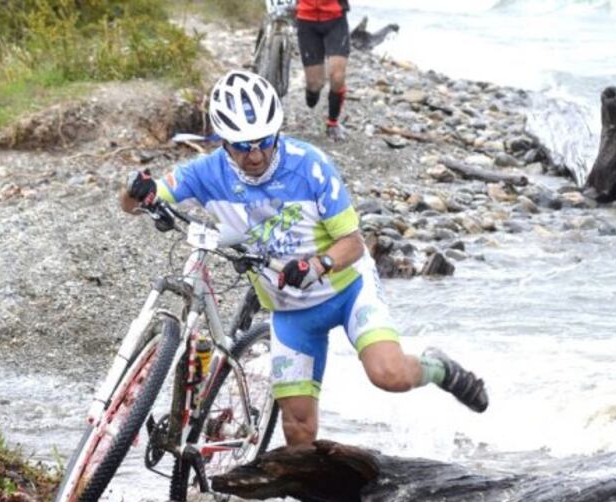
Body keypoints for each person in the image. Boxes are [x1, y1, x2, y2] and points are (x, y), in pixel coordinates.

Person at [120, 70, 487, 447]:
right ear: (223, 141)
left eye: (264, 141)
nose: (256, 155)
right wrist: (135, 191)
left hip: (346, 290)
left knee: (389, 375)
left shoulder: (310, 165)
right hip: (291, 312)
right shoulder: (205, 173)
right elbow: (136, 204)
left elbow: (353, 243)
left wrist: (316, 265)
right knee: (298, 434)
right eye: (243, 146)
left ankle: (439, 368)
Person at [295, 0, 351, 140]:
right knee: (314, 84)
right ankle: (312, 92)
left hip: (336, 19)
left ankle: (332, 123)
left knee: (337, 76)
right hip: (306, 20)